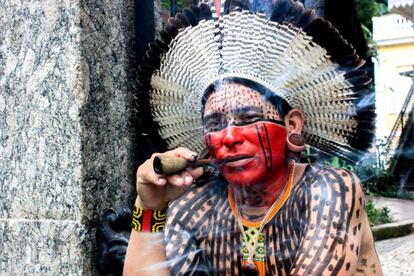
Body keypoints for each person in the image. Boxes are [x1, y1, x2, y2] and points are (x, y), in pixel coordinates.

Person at [124, 1, 382, 275]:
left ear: (292, 124)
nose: (229, 136)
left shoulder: (330, 191)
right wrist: (149, 209)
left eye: (248, 118)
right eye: (215, 124)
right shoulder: (196, 208)